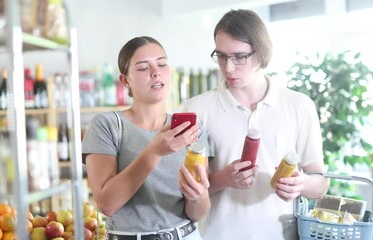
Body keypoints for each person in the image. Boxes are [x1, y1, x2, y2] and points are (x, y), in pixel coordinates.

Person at [184, 9, 329, 239]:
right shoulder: (196, 110)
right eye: (221, 56)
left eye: (239, 57)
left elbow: (320, 184)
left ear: (261, 53)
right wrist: (224, 178)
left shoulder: (299, 105)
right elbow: (187, 193)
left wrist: (301, 184)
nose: (228, 68)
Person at [82, 36, 210, 240]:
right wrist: (155, 151)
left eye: (162, 64)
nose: (156, 72)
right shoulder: (107, 125)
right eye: (143, 68)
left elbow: (198, 212)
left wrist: (199, 196)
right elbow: (107, 204)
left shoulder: (190, 129)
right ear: (125, 81)